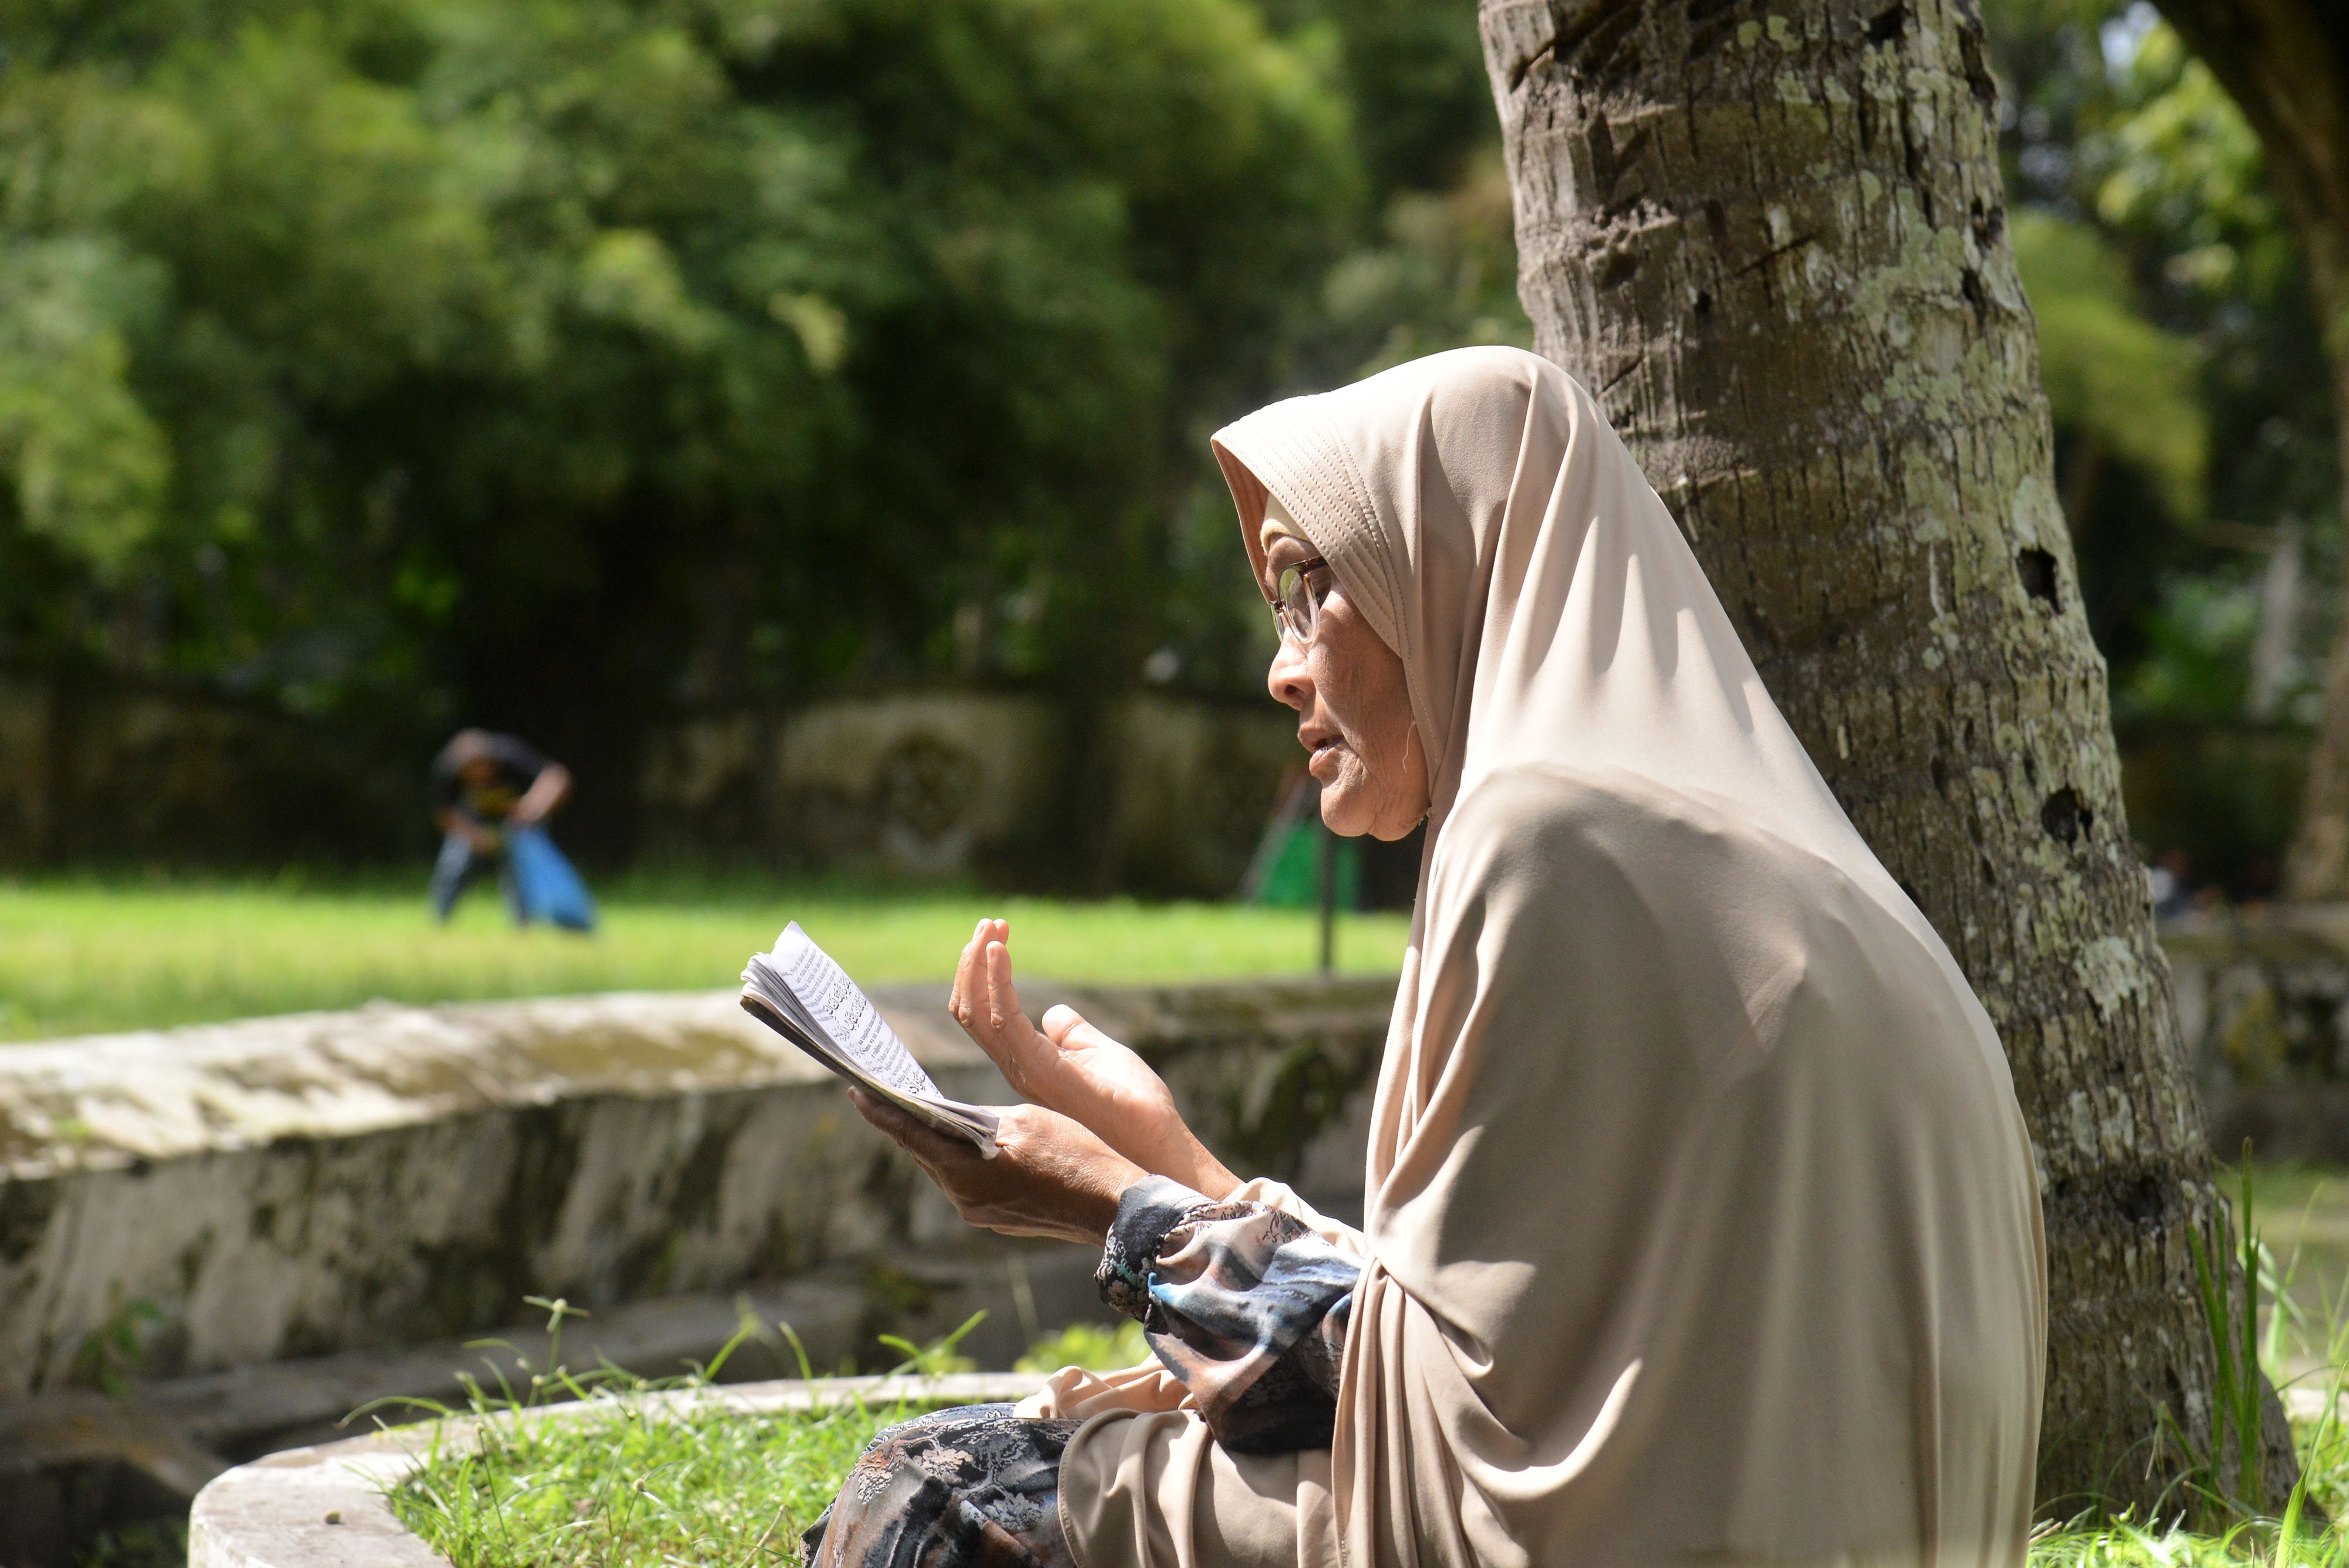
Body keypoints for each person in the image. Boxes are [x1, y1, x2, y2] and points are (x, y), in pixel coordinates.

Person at [817, 348, 2046, 1568]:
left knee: (944, 1489)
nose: (1280, 665)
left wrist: (1107, 1202)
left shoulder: (1544, 834)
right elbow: (1473, 1347)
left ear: (1445, 565)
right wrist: (1157, 1149)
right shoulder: (1778, 861)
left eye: (1309, 589)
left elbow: (1391, 1406)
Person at [428, 729, 573, 924]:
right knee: (454, 866)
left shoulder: (509, 755)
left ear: (490, 761)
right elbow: (444, 814)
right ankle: (439, 923)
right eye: (470, 770)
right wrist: (476, 837)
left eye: (481, 767)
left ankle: (523, 930)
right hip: (475, 827)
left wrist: (535, 806)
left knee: (520, 878)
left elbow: (556, 776)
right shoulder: (449, 769)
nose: (478, 775)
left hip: (518, 825)